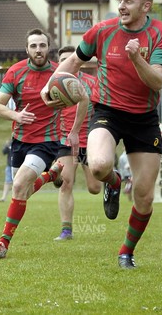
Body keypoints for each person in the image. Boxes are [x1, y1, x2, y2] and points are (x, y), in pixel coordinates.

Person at [43, 0, 162, 269]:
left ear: (146, 6)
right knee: (99, 166)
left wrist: (137, 58)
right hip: (107, 111)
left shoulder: (160, 34)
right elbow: (74, 62)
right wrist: (50, 86)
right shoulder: (102, 30)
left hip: (144, 119)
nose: (121, 5)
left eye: (129, 1)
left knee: (144, 196)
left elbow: (158, 81)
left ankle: (126, 251)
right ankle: (114, 183)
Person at [0, 28, 74, 259]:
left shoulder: (59, 73)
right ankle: (49, 176)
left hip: (46, 141)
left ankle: (3, 244)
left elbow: (77, 96)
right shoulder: (15, 72)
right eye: (33, 46)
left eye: (42, 45)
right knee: (22, 191)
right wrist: (16, 116)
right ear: (27, 49)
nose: (38, 50)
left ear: (48, 48)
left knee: (18, 186)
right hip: (20, 140)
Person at [53, 46, 101, 241]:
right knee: (66, 183)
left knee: (94, 188)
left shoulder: (92, 82)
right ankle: (66, 230)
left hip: (89, 140)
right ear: (58, 63)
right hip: (65, 140)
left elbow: (102, 108)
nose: (67, 62)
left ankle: (113, 176)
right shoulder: (53, 84)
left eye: (70, 59)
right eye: (62, 59)